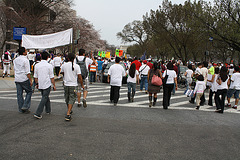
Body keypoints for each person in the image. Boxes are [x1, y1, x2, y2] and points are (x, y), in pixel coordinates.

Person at [61, 53, 84, 121]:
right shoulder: (77, 66)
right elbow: (79, 77)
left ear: (67, 58)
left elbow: (62, 73)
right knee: (72, 98)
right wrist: (82, 84)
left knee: (67, 98)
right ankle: (68, 113)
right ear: (74, 58)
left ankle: (69, 109)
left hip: (66, 84)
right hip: (73, 85)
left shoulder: (64, 65)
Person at [33, 51, 56, 119]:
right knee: (44, 97)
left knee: (45, 96)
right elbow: (52, 77)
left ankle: (48, 110)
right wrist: (54, 85)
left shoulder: (37, 65)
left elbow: (35, 76)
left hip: (40, 83)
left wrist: (37, 83)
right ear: (47, 57)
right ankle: (38, 112)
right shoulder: (49, 66)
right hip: (47, 84)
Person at [13, 47, 33, 113]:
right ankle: (25, 106)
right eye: (26, 50)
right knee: (29, 92)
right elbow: (27, 72)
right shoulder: (25, 60)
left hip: (17, 78)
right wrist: (30, 80)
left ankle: (21, 108)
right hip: (24, 78)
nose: (27, 51)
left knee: (19, 94)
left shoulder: (15, 60)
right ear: (24, 52)